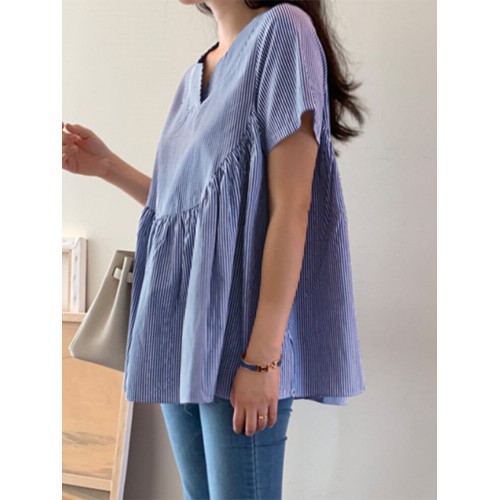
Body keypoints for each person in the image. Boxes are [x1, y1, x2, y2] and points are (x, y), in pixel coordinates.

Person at [62, 1, 368, 498]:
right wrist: (107, 167)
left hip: (240, 339)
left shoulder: (283, 33)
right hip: (178, 335)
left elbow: (293, 208)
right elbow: (188, 210)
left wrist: (262, 360)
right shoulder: (196, 75)